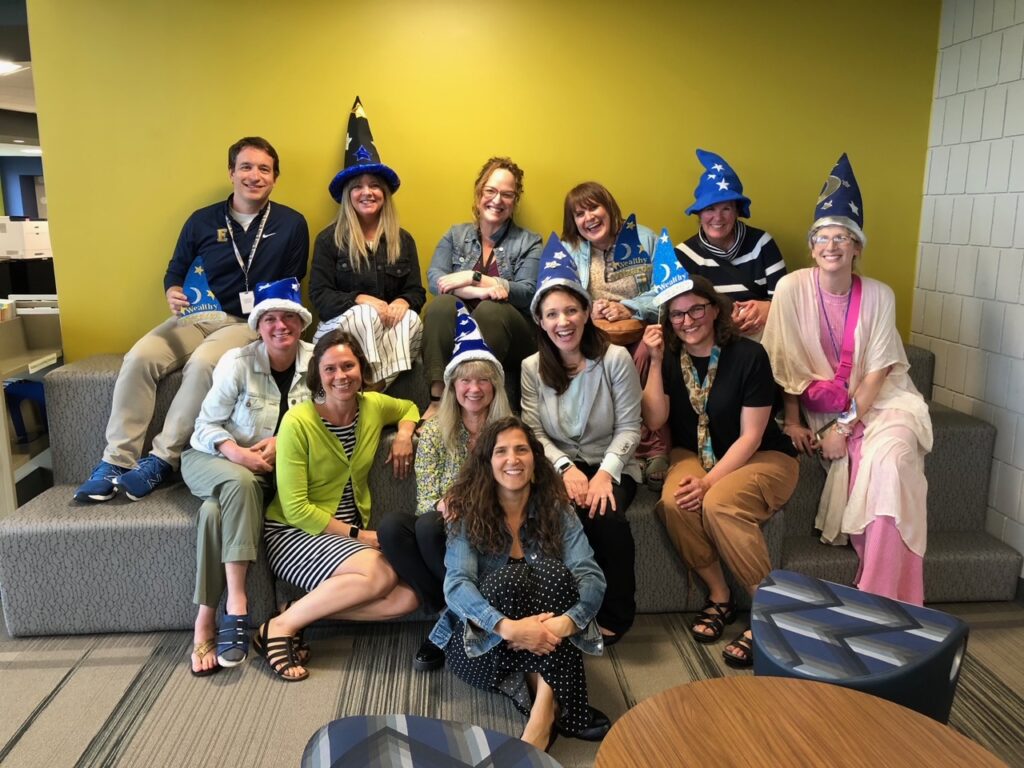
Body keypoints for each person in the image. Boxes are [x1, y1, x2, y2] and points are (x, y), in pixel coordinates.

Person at [74, 136, 309, 503]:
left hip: (243, 323)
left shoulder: (291, 223)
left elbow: (293, 282)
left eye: (264, 169)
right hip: (197, 316)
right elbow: (176, 270)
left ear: (275, 178)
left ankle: (161, 458)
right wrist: (172, 290)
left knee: (202, 364)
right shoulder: (202, 220)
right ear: (231, 172)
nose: (254, 175)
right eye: (246, 167)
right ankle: (115, 461)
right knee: (140, 356)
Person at [762, 153, 932, 605]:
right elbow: (786, 364)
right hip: (821, 410)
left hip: (883, 404)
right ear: (812, 245)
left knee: (893, 463)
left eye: (843, 237)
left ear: (857, 247)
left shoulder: (880, 295)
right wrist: (795, 421)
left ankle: (884, 596)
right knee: (877, 467)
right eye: (823, 237)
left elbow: (877, 373)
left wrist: (844, 428)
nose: (832, 245)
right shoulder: (791, 288)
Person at [641, 236, 798, 667]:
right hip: (692, 452)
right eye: (677, 314)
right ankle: (719, 593)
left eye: (696, 309)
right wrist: (654, 361)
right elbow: (655, 421)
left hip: (762, 456)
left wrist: (710, 483)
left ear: (714, 309)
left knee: (720, 505)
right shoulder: (670, 357)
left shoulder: (749, 356)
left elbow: (751, 436)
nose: (688, 320)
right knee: (674, 503)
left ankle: (769, 611)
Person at [428, 416, 611, 752]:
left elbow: (590, 574)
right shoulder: (468, 514)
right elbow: (457, 586)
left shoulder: (557, 509)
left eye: (521, 450)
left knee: (557, 575)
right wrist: (509, 628)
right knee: (507, 581)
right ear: (487, 464)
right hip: (482, 646)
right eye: (501, 451)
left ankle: (542, 713)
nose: (512, 459)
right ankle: (561, 705)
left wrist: (564, 623)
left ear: (535, 462)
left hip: (548, 635)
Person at [257, 330, 420, 681]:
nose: (340, 376)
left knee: (407, 600)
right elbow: (295, 507)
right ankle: (280, 627)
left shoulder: (373, 407)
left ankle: (297, 612)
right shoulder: (297, 422)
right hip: (294, 533)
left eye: (348, 366)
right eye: (330, 369)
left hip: (344, 540)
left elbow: (408, 407)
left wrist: (405, 434)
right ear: (318, 374)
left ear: (362, 369)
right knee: (380, 572)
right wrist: (359, 536)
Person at [181, 279, 312, 676]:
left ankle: (204, 621)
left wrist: (283, 440)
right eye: (269, 318)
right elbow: (204, 426)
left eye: (287, 316)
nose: (279, 326)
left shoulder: (316, 362)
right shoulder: (238, 362)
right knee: (237, 482)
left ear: (301, 323)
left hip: (266, 472)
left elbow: (324, 418)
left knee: (212, 515)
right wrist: (235, 452)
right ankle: (237, 603)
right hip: (211, 458)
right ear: (258, 325)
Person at [378, 302, 512, 671]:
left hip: (492, 526)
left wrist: (466, 502)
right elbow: (427, 497)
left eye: (482, 379)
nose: (473, 388)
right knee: (396, 526)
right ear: (452, 386)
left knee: (429, 525)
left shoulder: (509, 431)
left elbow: (516, 489)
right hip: (442, 527)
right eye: (464, 380)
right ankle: (452, 610)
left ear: (494, 385)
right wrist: (443, 503)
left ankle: (449, 622)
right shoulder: (435, 432)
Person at [521, 235, 641, 645]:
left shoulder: (615, 359)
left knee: (606, 517)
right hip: (559, 465)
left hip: (613, 462)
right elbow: (534, 432)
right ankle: (560, 611)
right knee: (549, 516)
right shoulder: (531, 367)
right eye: (552, 313)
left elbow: (629, 427)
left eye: (571, 310)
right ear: (540, 320)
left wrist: (605, 474)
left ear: (587, 312)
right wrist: (565, 469)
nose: (563, 321)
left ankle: (616, 615)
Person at [561, 181, 669, 489]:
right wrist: (587, 310)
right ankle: (613, 443)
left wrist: (630, 307)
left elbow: (669, 290)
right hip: (594, 335)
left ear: (609, 208)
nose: (589, 218)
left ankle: (653, 447)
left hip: (640, 328)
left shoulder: (644, 239)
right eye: (579, 213)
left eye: (594, 207)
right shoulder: (571, 250)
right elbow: (560, 295)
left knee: (648, 350)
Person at [310, 97, 425, 387]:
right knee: (364, 314)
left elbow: (416, 291)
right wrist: (361, 299)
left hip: (384, 335)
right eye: (358, 187)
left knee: (412, 320)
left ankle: (375, 388)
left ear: (385, 193)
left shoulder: (403, 239)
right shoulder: (329, 239)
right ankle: (365, 379)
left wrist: (402, 300)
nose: (367, 192)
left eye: (375, 186)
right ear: (348, 194)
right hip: (338, 332)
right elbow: (320, 297)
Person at [420, 157, 542, 420]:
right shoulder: (455, 235)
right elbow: (435, 280)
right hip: (460, 329)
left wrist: (470, 277)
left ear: (514, 201)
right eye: (491, 191)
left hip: (511, 336)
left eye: (507, 194)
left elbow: (528, 292)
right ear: (479, 193)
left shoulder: (529, 241)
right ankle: (438, 399)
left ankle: (479, 399)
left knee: (490, 310)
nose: (497, 200)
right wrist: (481, 291)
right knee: (440, 304)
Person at [675, 149, 786, 339]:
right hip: (711, 338)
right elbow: (680, 314)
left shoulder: (762, 243)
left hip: (764, 336)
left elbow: (785, 301)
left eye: (726, 208)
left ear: (736, 212)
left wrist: (768, 307)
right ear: (699, 213)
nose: (718, 218)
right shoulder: (683, 254)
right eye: (710, 209)